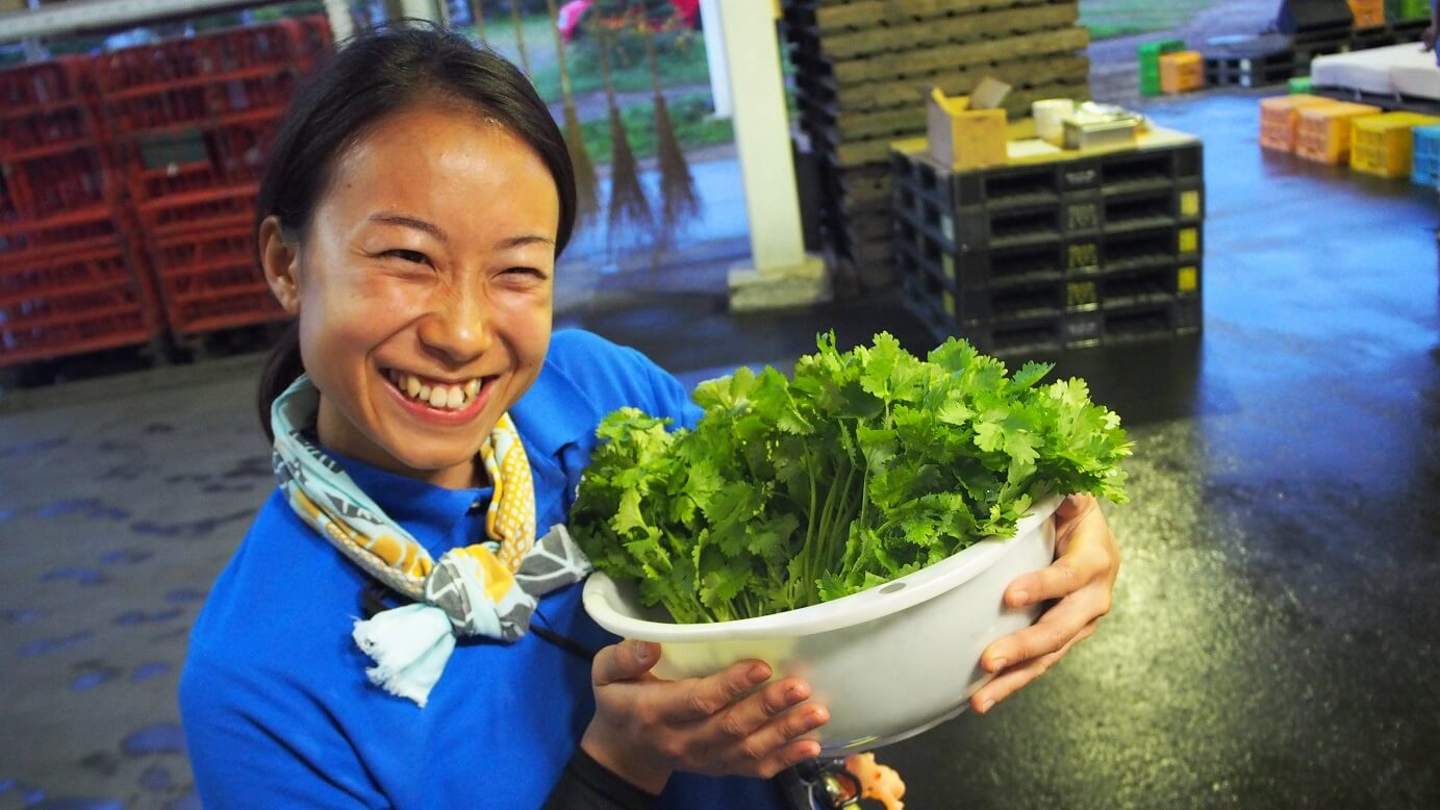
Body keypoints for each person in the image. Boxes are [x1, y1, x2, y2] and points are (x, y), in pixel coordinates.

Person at [178, 22, 1122, 810]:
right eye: (408, 259)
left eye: (517, 271)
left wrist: (1048, 523)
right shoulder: (256, 682)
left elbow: (820, 567)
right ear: (287, 264)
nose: (462, 334)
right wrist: (620, 768)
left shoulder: (597, 392)